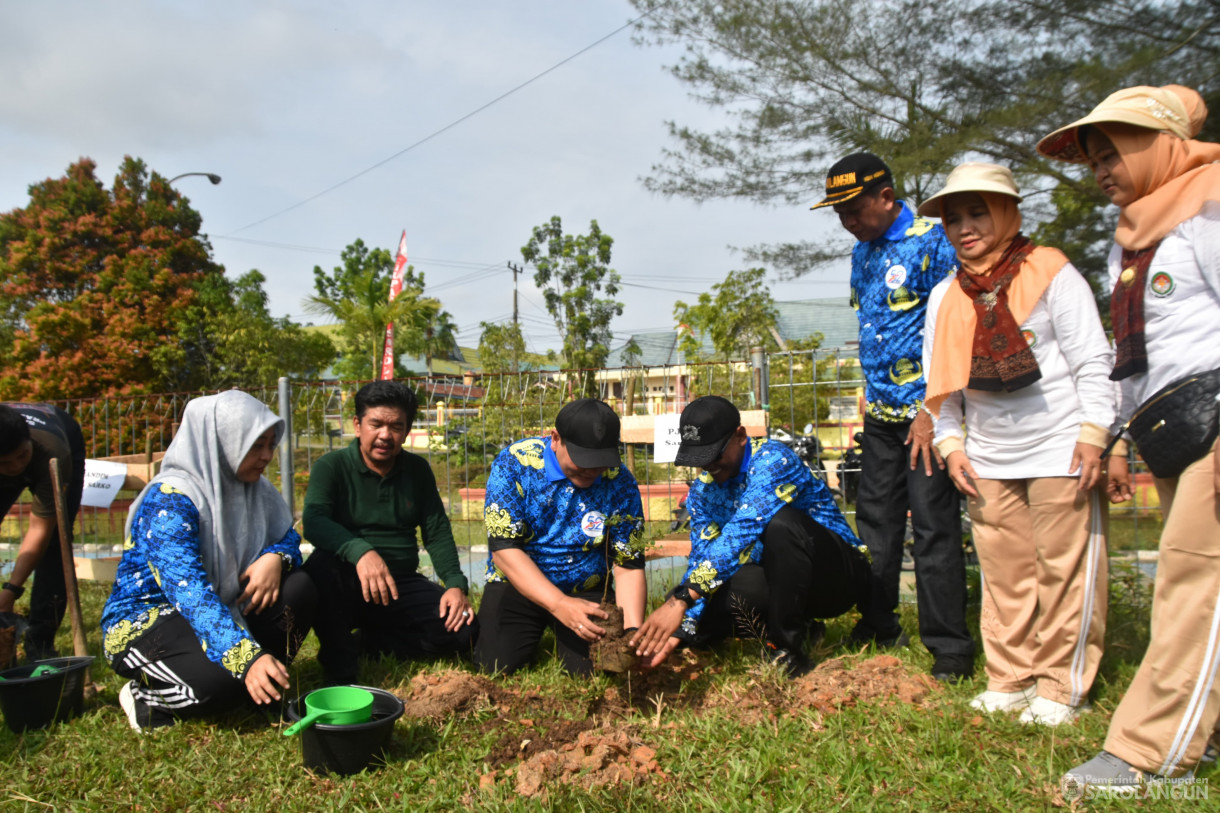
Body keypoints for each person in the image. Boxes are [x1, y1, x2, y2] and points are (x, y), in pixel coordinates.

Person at [1039, 84, 1220, 787]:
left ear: (1163, 144)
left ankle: (1150, 751)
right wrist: (1116, 437)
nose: (1102, 170)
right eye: (1094, 160)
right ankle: (1200, 729)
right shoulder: (1136, 235)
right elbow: (1135, 353)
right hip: (1174, 426)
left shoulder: (1208, 208)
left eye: (1115, 152)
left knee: (1190, 577)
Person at [919, 163, 1113, 725]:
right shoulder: (944, 296)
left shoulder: (1052, 272)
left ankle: (1061, 686)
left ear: (1006, 212)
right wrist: (953, 446)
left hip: (1060, 446)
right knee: (1005, 576)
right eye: (954, 218)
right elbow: (940, 385)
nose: (965, 228)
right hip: (987, 456)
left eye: (978, 212)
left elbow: (1093, 361)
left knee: (1065, 573)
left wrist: (1096, 432)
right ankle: (1010, 678)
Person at [811, 152, 976, 680]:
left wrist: (934, 410)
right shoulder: (862, 253)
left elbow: (953, 328)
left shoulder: (932, 239)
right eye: (838, 214)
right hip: (880, 416)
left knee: (933, 529)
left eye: (853, 210)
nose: (847, 222)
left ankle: (949, 648)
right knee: (875, 527)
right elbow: (875, 329)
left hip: (928, 416)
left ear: (886, 197)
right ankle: (880, 622)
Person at [101, 391, 317, 730]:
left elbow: (287, 536)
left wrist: (275, 556)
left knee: (300, 586)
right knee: (224, 680)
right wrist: (247, 659)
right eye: (255, 446)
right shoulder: (171, 500)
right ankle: (146, 699)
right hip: (151, 621)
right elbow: (190, 594)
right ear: (222, 442)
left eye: (270, 445)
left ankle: (261, 685)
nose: (266, 457)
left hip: (224, 604)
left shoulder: (255, 489)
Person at [631, 396, 870, 678]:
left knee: (781, 526)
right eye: (700, 459)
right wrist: (686, 622)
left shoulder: (773, 461)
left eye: (714, 454)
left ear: (740, 436)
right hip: (779, 581)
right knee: (700, 594)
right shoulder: (702, 493)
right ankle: (803, 627)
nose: (708, 465)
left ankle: (787, 650)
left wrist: (682, 601)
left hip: (836, 576)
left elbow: (740, 534)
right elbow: (704, 558)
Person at [302, 381, 475, 685]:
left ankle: (371, 643)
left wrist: (455, 584)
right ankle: (340, 668)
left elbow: (436, 530)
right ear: (358, 425)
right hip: (343, 580)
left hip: (398, 584)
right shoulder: (331, 466)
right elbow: (314, 521)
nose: (385, 435)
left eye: (396, 426)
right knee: (318, 569)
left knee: (464, 630)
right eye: (376, 424)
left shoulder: (417, 470)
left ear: (406, 432)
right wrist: (360, 551)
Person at [473, 398, 646, 676]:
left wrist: (632, 634)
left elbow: (629, 564)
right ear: (556, 439)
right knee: (494, 665)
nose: (592, 471)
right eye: (583, 461)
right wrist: (559, 604)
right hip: (519, 583)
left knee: (595, 671)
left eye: (600, 462)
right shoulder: (515, 464)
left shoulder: (620, 480)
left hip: (585, 587)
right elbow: (504, 551)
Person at [0, 403, 86, 661]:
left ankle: (40, 641)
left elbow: (40, 528)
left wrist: (10, 590)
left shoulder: (53, 452)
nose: (16, 466)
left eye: (21, 456)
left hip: (62, 438)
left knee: (56, 540)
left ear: (28, 442)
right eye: (6, 462)